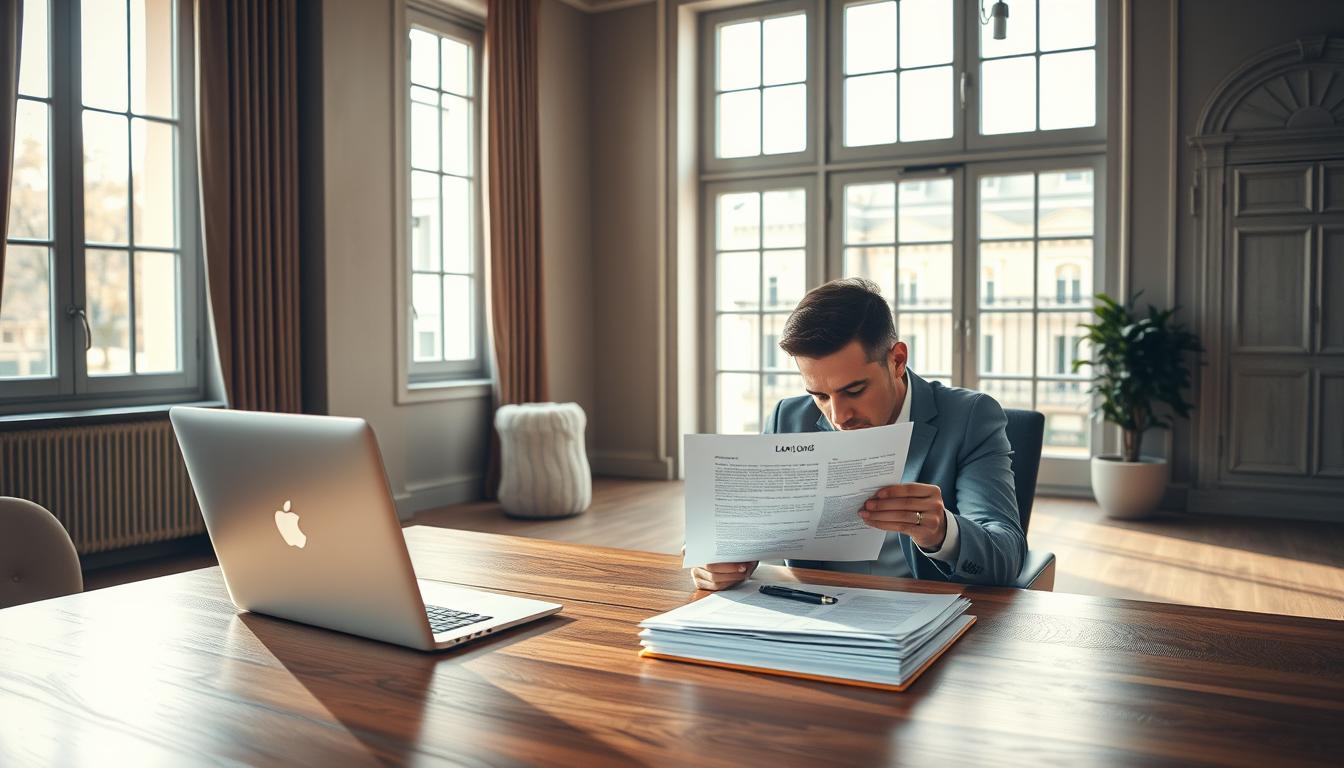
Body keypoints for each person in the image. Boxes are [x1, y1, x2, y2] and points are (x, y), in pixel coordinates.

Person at [691, 278, 1026, 591]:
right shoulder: (787, 419)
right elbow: (735, 525)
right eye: (820, 396)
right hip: (814, 608)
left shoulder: (969, 417)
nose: (839, 417)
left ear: (897, 360)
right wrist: (715, 558)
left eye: (854, 390)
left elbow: (1006, 555)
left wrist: (943, 532)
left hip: (927, 611)